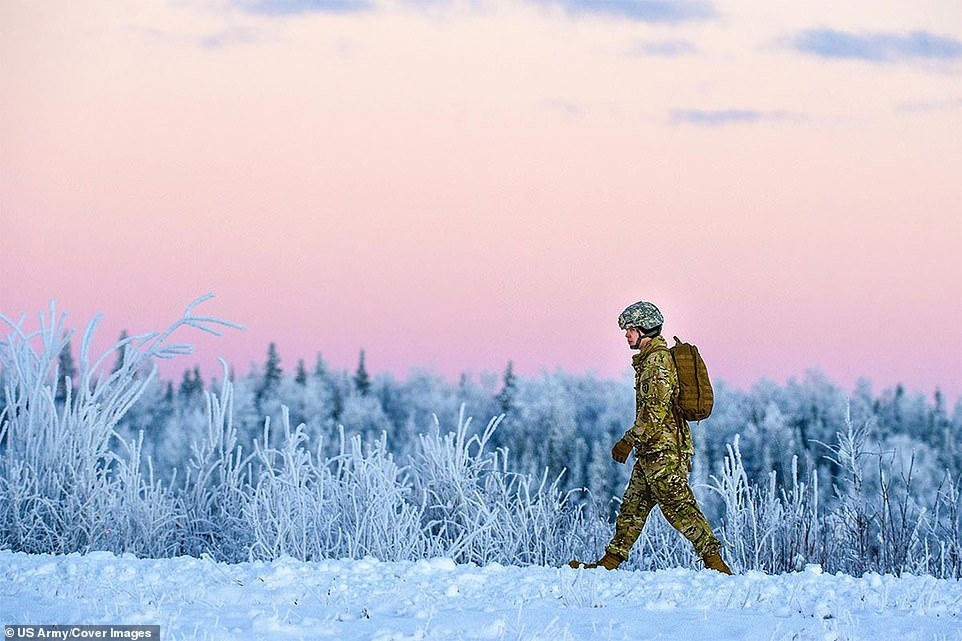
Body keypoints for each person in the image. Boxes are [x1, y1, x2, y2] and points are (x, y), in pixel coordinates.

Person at [569, 300, 733, 574]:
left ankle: (717, 565)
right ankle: (609, 564)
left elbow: (654, 411)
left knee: (680, 507)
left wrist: (627, 440)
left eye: (630, 329)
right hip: (652, 450)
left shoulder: (657, 362)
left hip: (664, 451)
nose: (626, 334)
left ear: (644, 329)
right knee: (632, 507)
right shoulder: (648, 360)